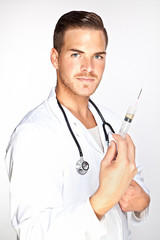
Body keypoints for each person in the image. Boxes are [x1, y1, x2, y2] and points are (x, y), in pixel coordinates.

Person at [5, 10, 150, 240]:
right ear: (55, 58)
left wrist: (142, 202)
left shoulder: (110, 121)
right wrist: (101, 202)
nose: (88, 67)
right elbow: (33, 233)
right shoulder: (33, 135)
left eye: (98, 56)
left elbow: (135, 183)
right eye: (76, 55)